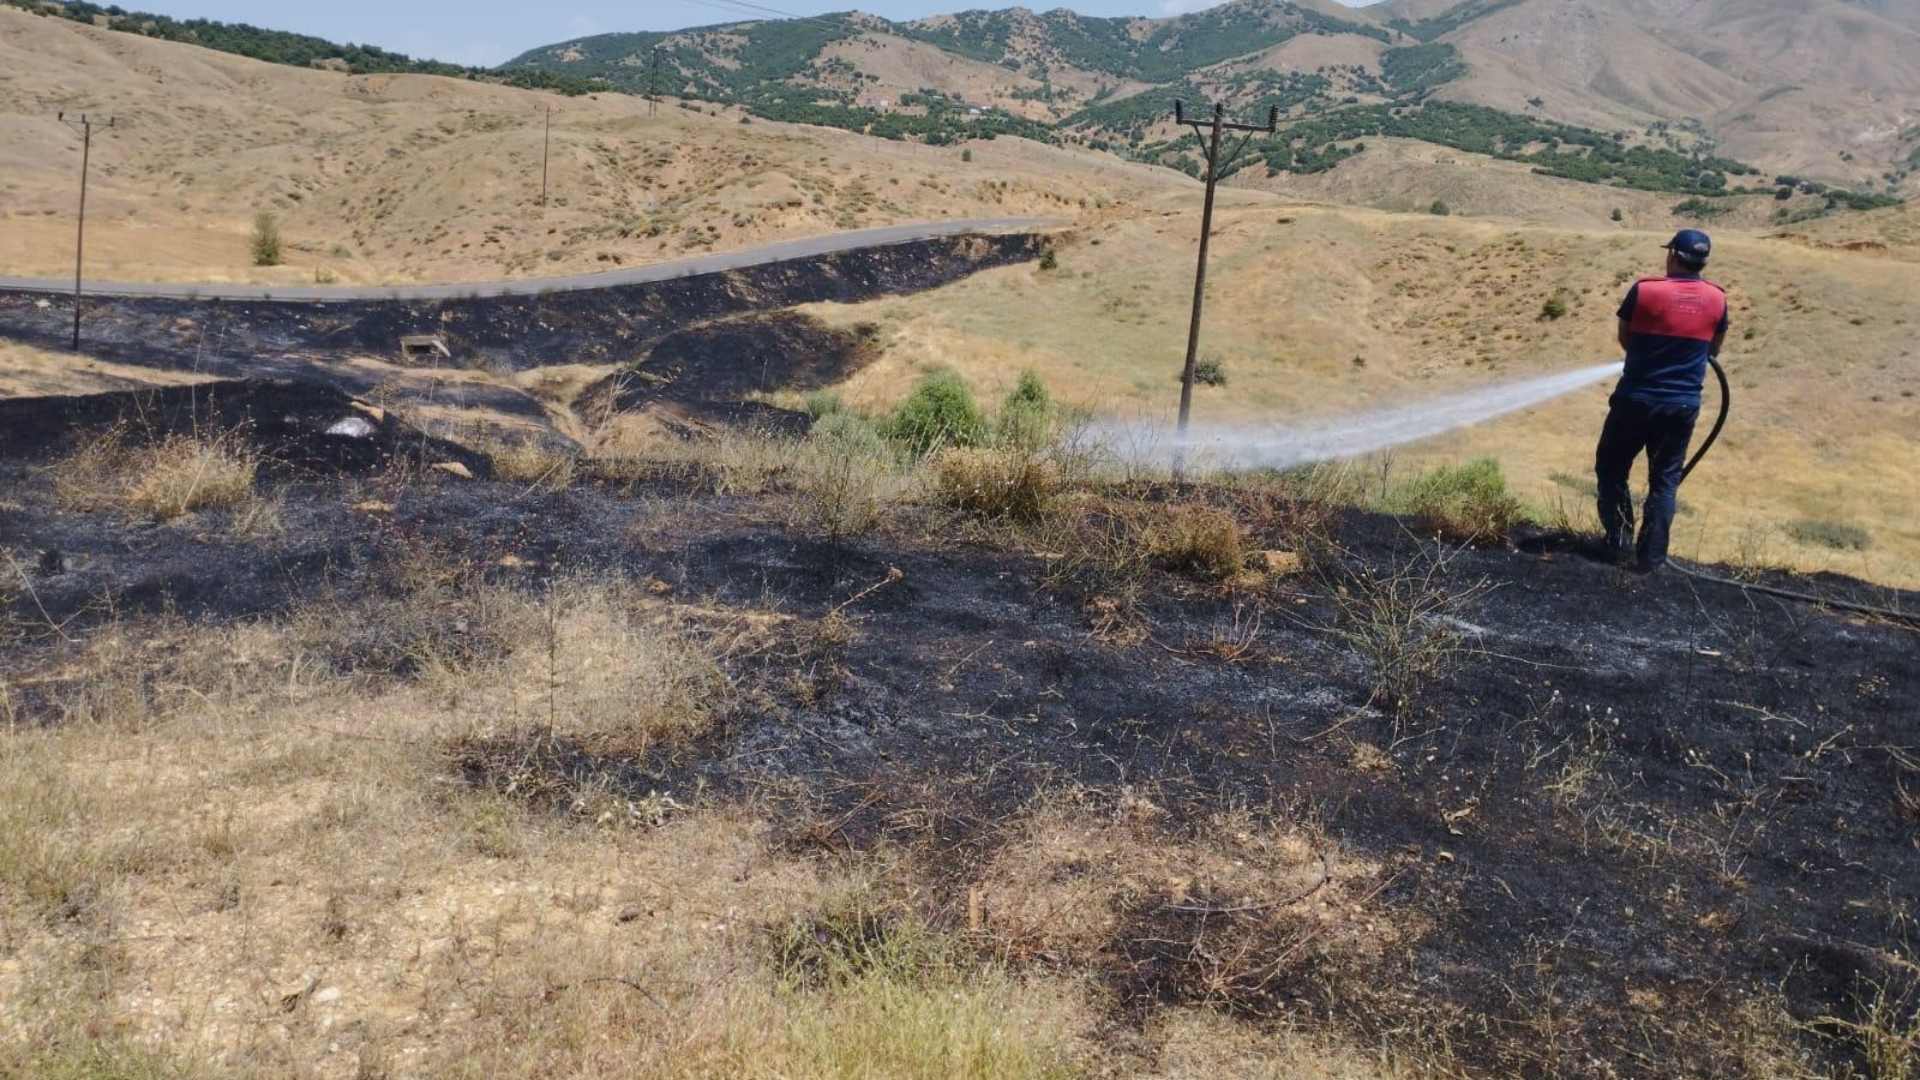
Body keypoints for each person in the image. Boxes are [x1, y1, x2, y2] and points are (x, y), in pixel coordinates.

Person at [1595, 228, 1728, 572]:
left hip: (1635, 400)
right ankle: (1651, 560)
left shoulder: (1645, 291)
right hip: (1682, 406)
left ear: (1672, 256)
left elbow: (1625, 337)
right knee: (1665, 482)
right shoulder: (1717, 298)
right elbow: (1714, 349)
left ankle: (1618, 543)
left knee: (1611, 468)